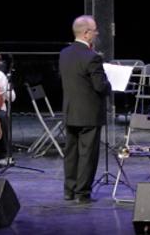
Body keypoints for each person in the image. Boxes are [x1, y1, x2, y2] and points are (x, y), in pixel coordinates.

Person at [59, 15, 110, 203]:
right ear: (87, 33)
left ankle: (69, 191)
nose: (96, 33)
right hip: (89, 114)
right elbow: (100, 86)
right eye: (95, 30)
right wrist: (110, 83)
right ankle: (82, 193)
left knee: (71, 153)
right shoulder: (92, 57)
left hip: (70, 111)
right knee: (87, 154)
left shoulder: (64, 54)